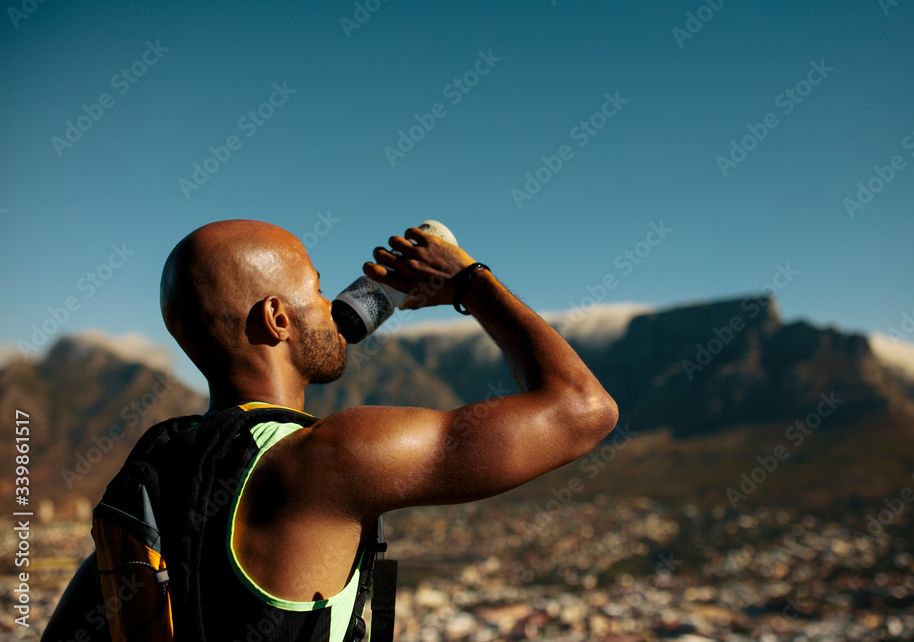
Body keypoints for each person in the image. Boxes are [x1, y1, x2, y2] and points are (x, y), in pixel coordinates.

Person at [42, 219, 618, 641]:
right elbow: (584, 409)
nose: (332, 303)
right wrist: (469, 283)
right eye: (315, 289)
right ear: (277, 319)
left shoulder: (158, 469)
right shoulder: (328, 458)